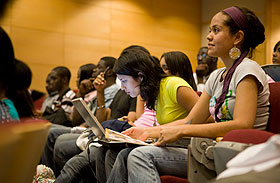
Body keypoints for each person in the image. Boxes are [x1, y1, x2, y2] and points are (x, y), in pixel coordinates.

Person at [107, 6, 269, 183]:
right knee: (125, 153)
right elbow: (190, 120)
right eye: (210, 30)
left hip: (240, 153)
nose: (208, 36)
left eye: (216, 30)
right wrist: (146, 131)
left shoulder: (247, 69)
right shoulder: (216, 76)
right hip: (213, 147)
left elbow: (242, 124)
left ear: (237, 37)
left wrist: (180, 131)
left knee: (140, 156)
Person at [55, 48, 199, 183]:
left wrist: (149, 131)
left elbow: (206, 118)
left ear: (140, 77)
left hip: (188, 146)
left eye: (124, 81)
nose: (122, 87)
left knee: (126, 155)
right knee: (107, 151)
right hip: (168, 142)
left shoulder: (174, 85)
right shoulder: (153, 93)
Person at [40, 57, 120, 174]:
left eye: (99, 67)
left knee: (51, 133)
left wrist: (100, 92)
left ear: (108, 71)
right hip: (86, 127)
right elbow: (76, 120)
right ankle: (47, 175)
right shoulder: (98, 90)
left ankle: (48, 175)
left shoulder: (113, 91)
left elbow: (100, 121)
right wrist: (81, 93)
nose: (94, 70)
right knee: (48, 128)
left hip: (94, 131)